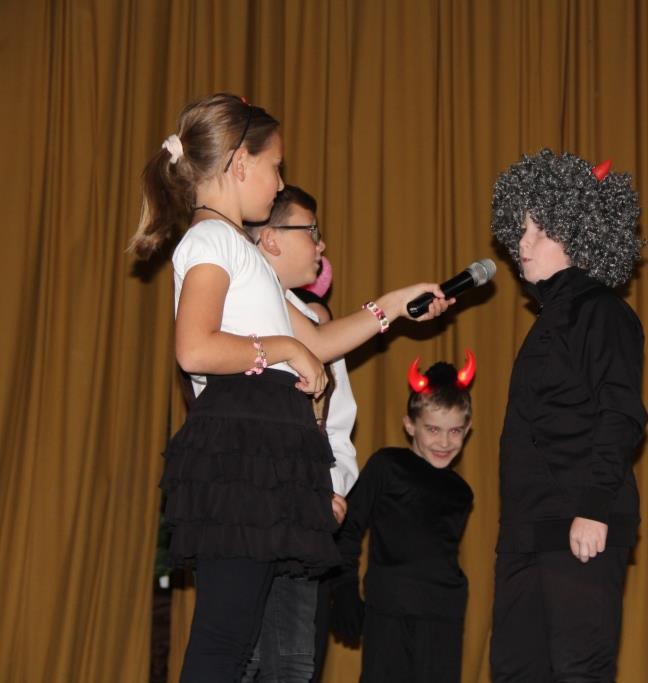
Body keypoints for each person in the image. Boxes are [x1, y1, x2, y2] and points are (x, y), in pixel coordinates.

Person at [128, 93, 450, 682]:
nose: (280, 183)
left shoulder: (240, 252)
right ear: (239, 163)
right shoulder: (211, 241)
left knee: (241, 639)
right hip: (241, 447)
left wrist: (395, 304)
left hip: (264, 446)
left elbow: (318, 341)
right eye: (275, 167)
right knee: (225, 639)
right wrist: (281, 348)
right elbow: (194, 347)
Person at [488, 149, 648, 682]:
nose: (522, 244)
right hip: (526, 529)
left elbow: (620, 413)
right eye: (520, 230)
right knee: (515, 671)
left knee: (579, 670)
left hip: (579, 520)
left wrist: (594, 507)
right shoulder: (550, 317)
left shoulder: (602, 311)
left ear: (578, 233)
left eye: (539, 231)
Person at [239, 184, 359, 682]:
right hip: (244, 507)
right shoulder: (232, 306)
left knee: (292, 660)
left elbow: (338, 423)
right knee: (240, 653)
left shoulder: (316, 324)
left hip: (303, 510)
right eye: (311, 231)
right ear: (270, 239)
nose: (321, 243)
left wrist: (331, 487)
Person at [330, 357, 476, 683]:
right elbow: (349, 528)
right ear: (410, 425)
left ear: (467, 430)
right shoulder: (387, 465)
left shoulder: (461, 492)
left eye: (455, 431)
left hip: (444, 614)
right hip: (389, 608)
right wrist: (344, 588)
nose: (444, 442)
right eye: (433, 429)